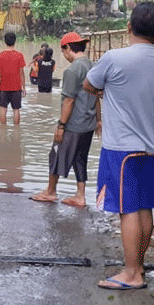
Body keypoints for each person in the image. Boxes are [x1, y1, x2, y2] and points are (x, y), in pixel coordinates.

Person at [83, 2, 154, 290]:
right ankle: (139, 266)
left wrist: (105, 91)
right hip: (150, 145)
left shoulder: (114, 58)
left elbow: (88, 83)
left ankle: (131, 273)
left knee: (127, 210)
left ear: (129, 27)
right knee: (144, 207)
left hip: (122, 149)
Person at [30, 33, 99, 207]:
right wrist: (99, 120)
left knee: (55, 153)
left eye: (64, 51)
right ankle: (80, 196)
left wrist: (61, 125)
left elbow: (69, 100)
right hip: (89, 123)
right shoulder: (93, 66)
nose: (64, 56)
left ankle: (51, 191)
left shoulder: (72, 70)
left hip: (74, 124)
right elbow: (97, 96)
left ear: (68, 48)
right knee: (80, 158)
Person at [0, 32, 26, 125]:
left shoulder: (0, 56)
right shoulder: (19, 55)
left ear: (5, 41)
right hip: (16, 87)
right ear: (15, 41)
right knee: (16, 110)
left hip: (3, 87)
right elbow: (22, 73)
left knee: (3, 109)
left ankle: (3, 131)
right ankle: (17, 131)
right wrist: (23, 87)